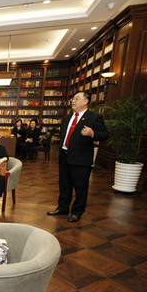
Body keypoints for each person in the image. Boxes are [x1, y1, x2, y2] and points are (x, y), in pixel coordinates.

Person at [48, 91, 109, 222]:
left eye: (77, 98)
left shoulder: (94, 117)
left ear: (86, 101)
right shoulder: (66, 118)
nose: (73, 101)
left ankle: (77, 212)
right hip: (65, 156)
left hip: (81, 159)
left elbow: (105, 135)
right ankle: (62, 208)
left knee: (80, 187)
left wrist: (92, 133)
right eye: (73, 98)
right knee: (64, 185)